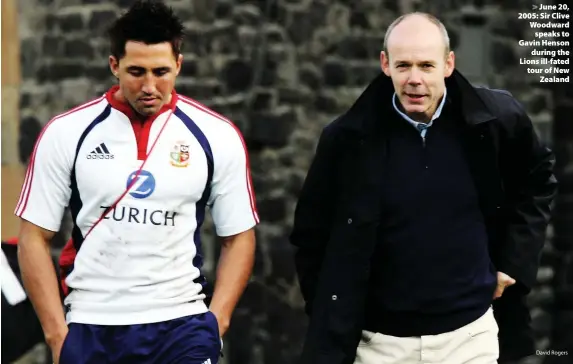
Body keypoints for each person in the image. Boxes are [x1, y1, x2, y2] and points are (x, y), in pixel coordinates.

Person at [290, 12, 557, 364]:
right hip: (378, 345)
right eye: (403, 66)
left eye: (426, 66)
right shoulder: (346, 139)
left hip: (470, 337)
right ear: (385, 64)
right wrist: (333, 310)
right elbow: (311, 234)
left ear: (448, 64)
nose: (414, 79)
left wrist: (514, 263)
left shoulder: (496, 120)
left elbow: (537, 179)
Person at [15, 1, 259, 363]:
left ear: (179, 63)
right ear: (114, 65)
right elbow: (33, 236)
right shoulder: (66, 133)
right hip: (92, 325)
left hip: (181, 327)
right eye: (136, 72)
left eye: (161, 71)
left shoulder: (216, 135)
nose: (149, 86)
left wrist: (216, 321)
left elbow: (238, 236)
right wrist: (56, 336)